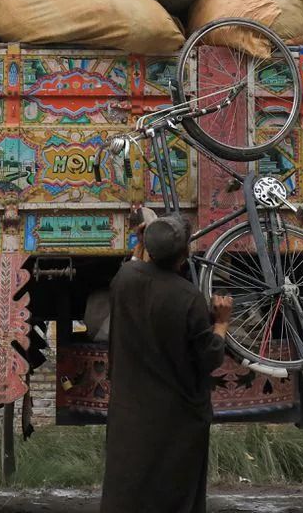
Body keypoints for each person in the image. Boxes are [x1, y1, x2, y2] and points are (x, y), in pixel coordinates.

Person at [100, 214, 233, 513]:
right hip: (176, 418)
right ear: (185, 254)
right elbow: (210, 357)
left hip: (131, 413)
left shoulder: (124, 281)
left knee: (128, 487)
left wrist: (139, 243)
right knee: (174, 491)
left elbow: (133, 266)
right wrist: (222, 323)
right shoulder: (188, 297)